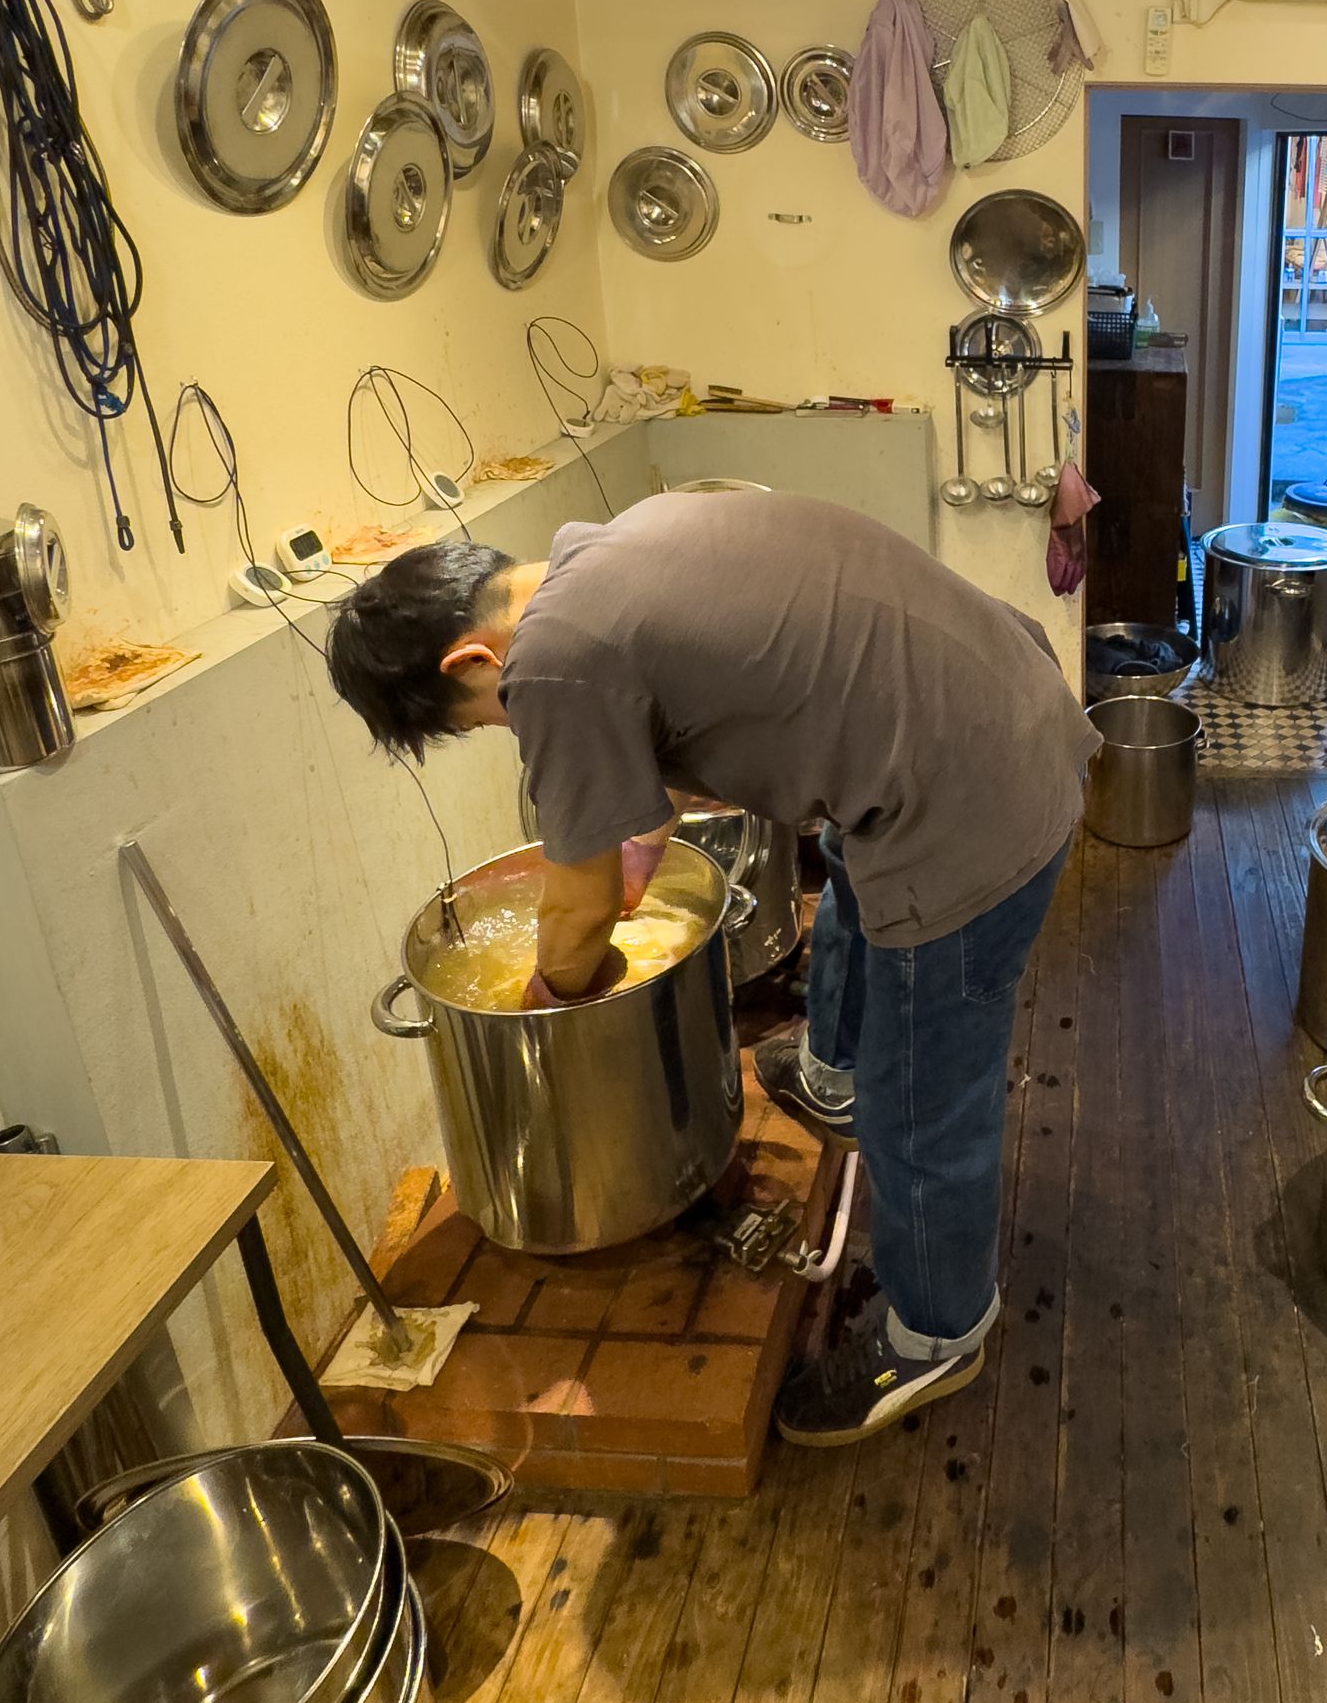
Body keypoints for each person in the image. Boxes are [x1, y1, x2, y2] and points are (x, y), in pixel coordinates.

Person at [324, 488, 1094, 1445]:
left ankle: (937, 1334)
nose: (509, 727)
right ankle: (833, 1073)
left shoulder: (553, 663)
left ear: (474, 659)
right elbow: (663, 774)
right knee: (853, 875)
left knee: (926, 1097)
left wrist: (545, 1001)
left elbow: (576, 912)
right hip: (983, 709)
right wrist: (633, 860)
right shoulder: (611, 549)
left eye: (487, 718)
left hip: (974, 797)